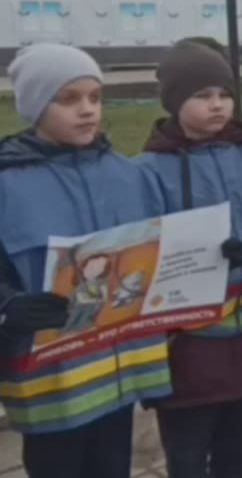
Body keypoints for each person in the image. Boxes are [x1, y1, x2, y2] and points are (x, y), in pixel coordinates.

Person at [0, 45, 170, 478]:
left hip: (119, 377)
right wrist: (9, 307)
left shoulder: (129, 174)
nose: (87, 110)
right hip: (51, 383)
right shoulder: (7, 184)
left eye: (95, 97)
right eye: (68, 98)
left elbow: (160, 253)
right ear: (36, 106)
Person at [137, 43, 242, 478]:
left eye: (225, 94)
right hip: (190, 339)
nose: (218, 105)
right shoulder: (148, 169)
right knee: (188, 444)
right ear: (174, 101)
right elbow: (143, 249)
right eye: (202, 96)